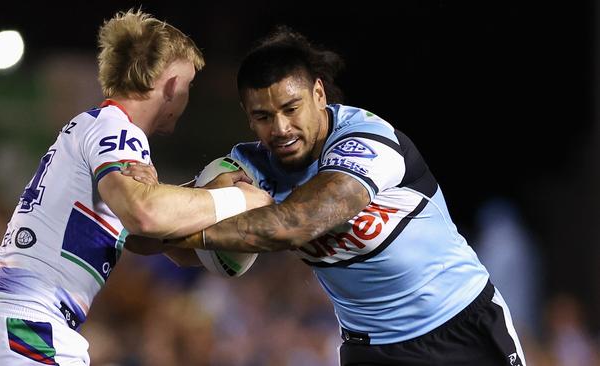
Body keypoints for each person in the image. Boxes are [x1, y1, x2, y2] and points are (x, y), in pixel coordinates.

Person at [126, 27, 528, 365]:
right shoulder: (247, 168)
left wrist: (190, 227)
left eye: (291, 108)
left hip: (459, 325)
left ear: (319, 94)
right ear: (248, 117)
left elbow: (296, 224)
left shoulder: (366, 142)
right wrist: (147, 200)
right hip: (369, 348)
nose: (280, 128)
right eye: (263, 117)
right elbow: (143, 240)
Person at [0, 10, 272, 366]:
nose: (187, 96)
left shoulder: (96, 129)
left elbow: (146, 239)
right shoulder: (117, 131)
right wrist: (241, 198)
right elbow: (145, 214)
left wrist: (207, 200)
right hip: (27, 327)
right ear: (170, 82)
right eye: (188, 84)